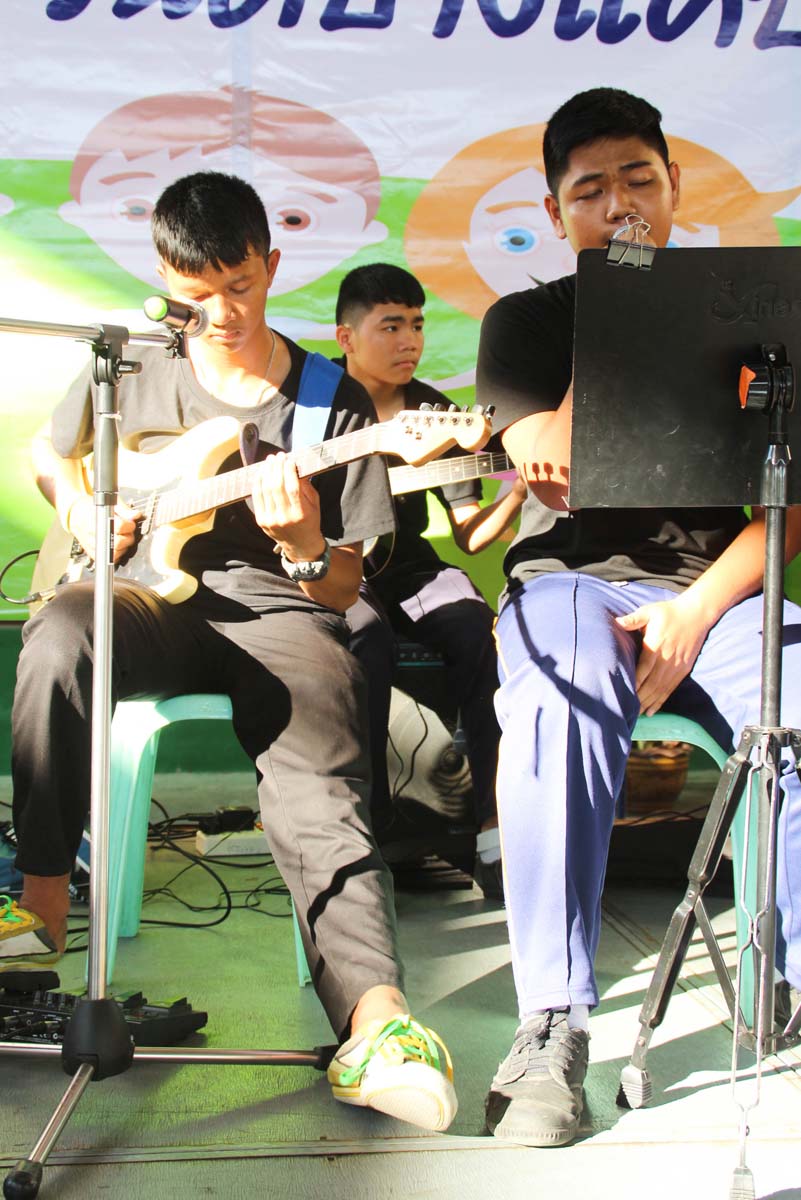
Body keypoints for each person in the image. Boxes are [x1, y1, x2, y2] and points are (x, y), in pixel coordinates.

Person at [0, 171, 457, 1132]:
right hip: (144, 595)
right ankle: (37, 909)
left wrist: (303, 543)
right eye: (194, 293)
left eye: (239, 286)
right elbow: (51, 454)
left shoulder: (332, 399)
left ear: (272, 265)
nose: (219, 313)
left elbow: (343, 587)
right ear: (163, 279)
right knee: (62, 631)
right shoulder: (130, 364)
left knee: (319, 772)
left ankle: (377, 1021)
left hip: (278, 610)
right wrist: (82, 512)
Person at [475, 87, 801, 1148]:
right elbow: (554, 466)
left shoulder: (750, 318)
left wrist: (697, 610)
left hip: (720, 588)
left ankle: (792, 973)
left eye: (638, 180)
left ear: (674, 187)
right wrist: (618, 305)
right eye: (590, 191)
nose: (619, 204)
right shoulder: (524, 324)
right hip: (575, 582)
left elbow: (788, 503)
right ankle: (552, 1020)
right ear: (553, 210)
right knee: (558, 699)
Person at [335, 262, 526, 899]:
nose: (409, 341)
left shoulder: (437, 414)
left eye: (417, 325)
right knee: (363, 640)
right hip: (337, 566)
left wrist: (519, 490)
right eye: (391, 326)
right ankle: (367, 829)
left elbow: (468, 535)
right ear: (346, 337)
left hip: (409, 566)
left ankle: (493, 830)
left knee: (479, 633)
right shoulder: (315, 399)